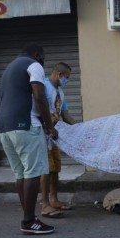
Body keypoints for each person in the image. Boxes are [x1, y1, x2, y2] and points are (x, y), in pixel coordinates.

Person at [0, 42, 58, 234]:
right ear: (37, 54)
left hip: (5, 128)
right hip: (26, 126)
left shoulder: (9, 68)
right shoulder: (34, 65)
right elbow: (39, 96)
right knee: (33, 173)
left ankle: (27, 218)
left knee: (21, 175)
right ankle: (29, 221)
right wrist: (49, 126)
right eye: (43, 57)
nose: (43, 61)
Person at [40, 62, 76, 217]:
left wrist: (80, 128)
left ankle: (54, 199)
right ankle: (45, 204)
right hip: (42, 133)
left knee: (55, 169)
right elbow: (39, 110)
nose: (66, 80)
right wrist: (49, 127)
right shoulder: (43, 87)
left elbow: (65, 115)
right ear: (59, 74)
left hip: (53, 135)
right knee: (46, 169)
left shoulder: (60, 93)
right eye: (66, 77)